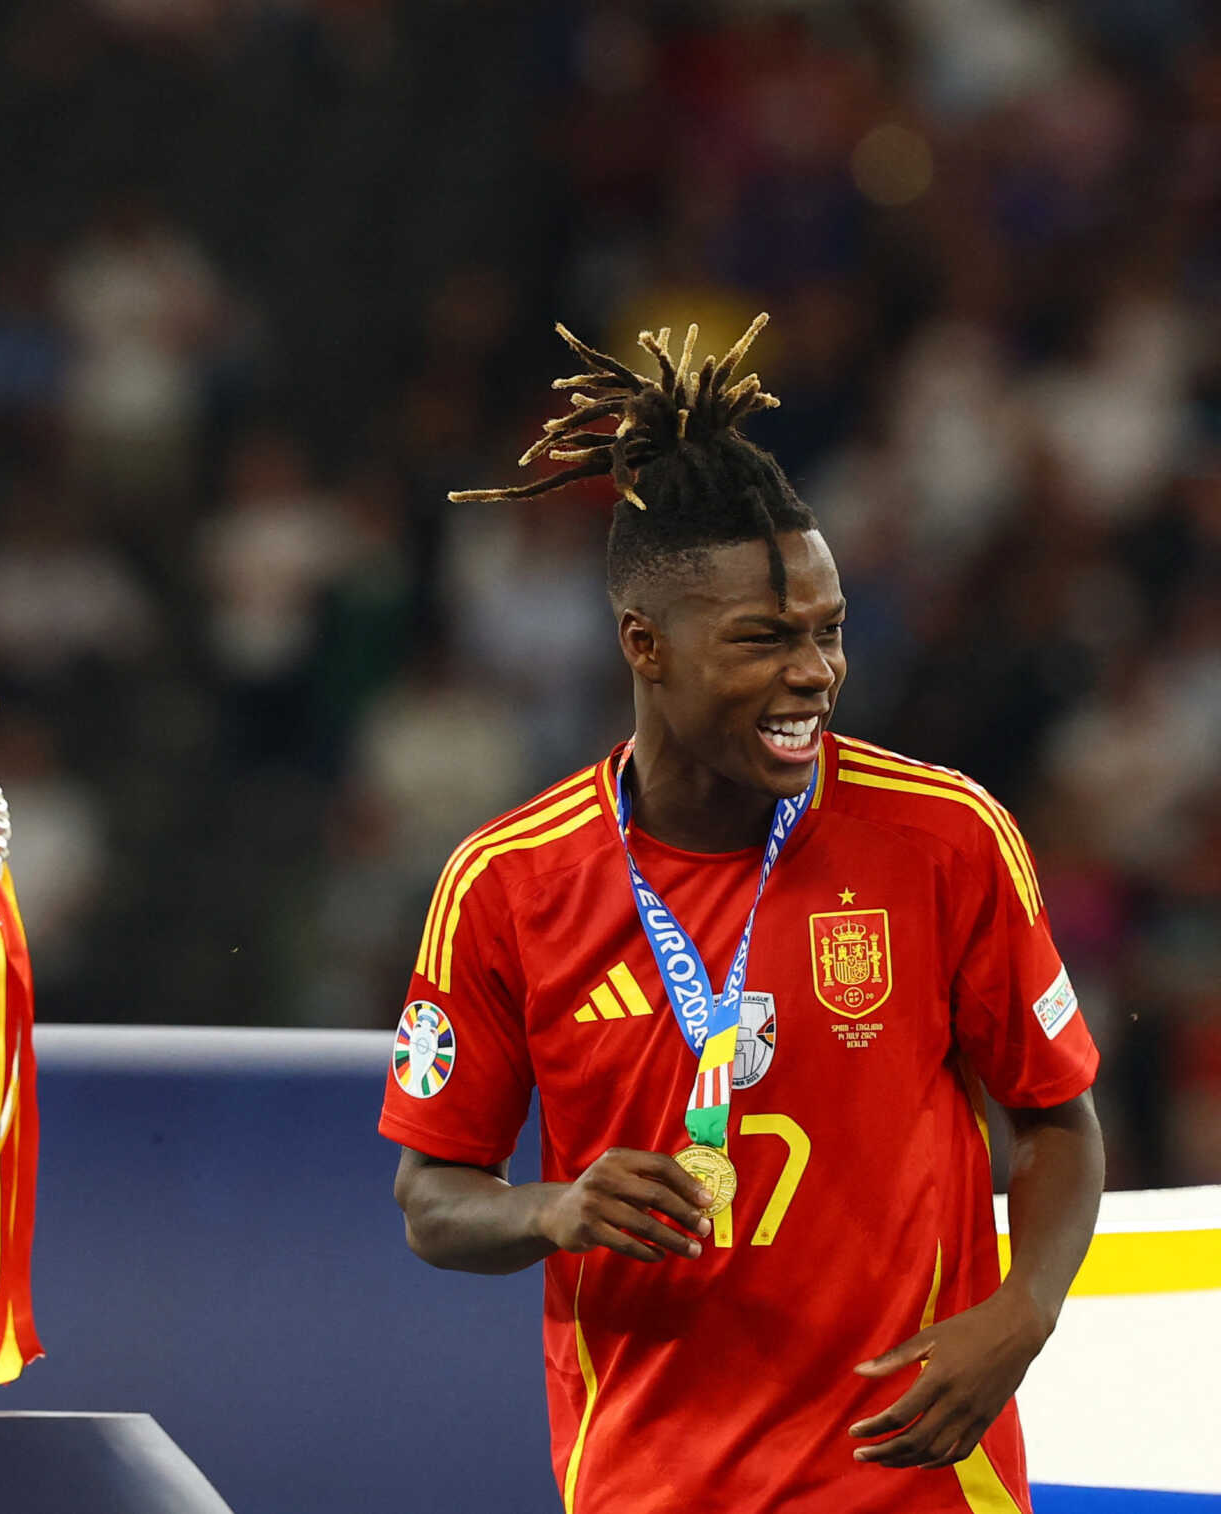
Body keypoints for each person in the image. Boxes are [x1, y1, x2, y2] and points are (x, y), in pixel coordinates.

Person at [381, 319, 1102, 1513]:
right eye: (764, 639)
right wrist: (552, 1206)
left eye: (826, 631)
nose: (813, 671)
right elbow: (432, 1198)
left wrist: (1020, 1316)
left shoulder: (945, 835)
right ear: (643, 644)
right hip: (649, 1482)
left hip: (914, 1478)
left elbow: (1058, 1120)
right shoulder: (508, 882)